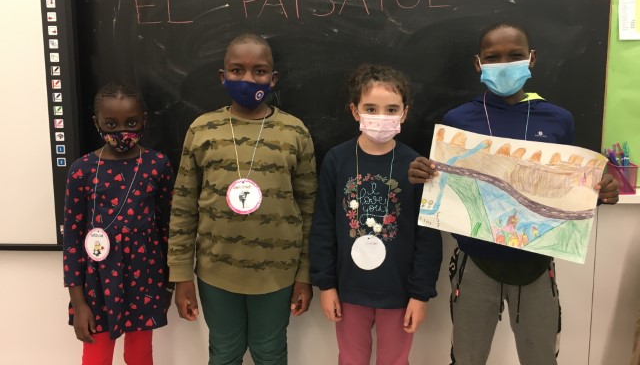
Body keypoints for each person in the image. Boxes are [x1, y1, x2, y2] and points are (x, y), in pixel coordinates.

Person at [408, 22, 620, 365]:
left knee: (541, 357)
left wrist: (599, 191)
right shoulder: (457, 120)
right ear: (478, 63)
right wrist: (423, 175)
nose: (504, 64)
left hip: (536, 264)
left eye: (515, 55)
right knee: (467, 358)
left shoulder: (558, 120)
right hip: (475, 261)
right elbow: (444, 183)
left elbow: (568, 189)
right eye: (493, 57)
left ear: (531, 59)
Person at [168, 33, 317, 365]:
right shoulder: (202, 130)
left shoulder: (295, 132)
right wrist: (180, 275)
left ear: (273, 78)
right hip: (216, 273)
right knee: (223, 352)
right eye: (237, 70)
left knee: (270, 352)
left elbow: (309, 209)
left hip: (278, 274)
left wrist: (305, 274)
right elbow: (183, 207)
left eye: (259, 71)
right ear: (223, 76)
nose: (248, 79)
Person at [310, 64, 443, 365]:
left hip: (398, 293)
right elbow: (323, 225)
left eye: (391, 109)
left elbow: (427, 235)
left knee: (395, 360)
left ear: (405, 113)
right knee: (351, 359)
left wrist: (420, 294)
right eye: (371, 108)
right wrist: (326, 285)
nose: (381, 117)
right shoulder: (337, 160)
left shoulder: (416, 166)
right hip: (349, 291)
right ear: (354, 111)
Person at [63, 81, 174, 365]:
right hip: (96, 283)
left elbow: (167, 229)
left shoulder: (158, 165)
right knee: (96, 357)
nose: (122, 132)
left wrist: (168, 285)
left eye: (131, 123)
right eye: (111, 124)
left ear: (144, 120)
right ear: (96, 122)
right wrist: (78, 302)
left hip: (145, 276)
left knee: (140, 355)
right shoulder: (81, 170)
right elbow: (72, 241)